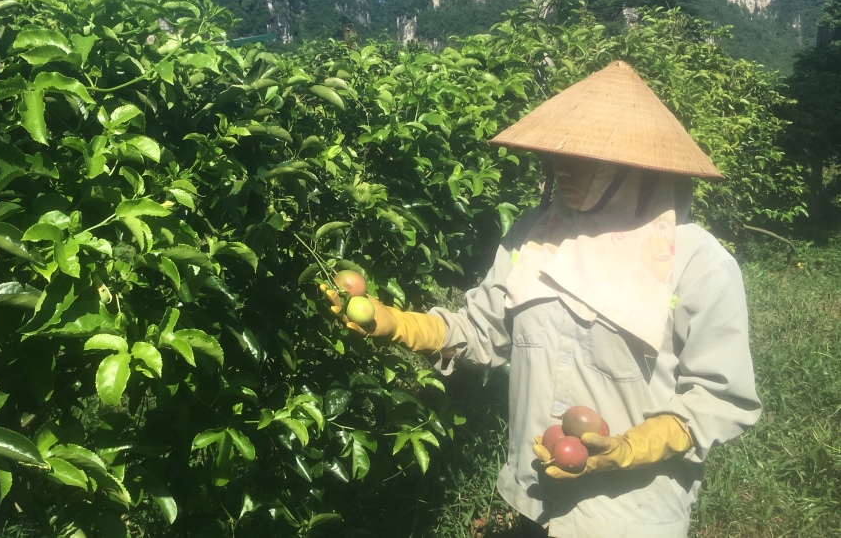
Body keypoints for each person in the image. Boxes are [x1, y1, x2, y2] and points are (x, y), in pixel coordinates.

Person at [323, 61, 762, 537]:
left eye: (585, 159)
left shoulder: (692, 261)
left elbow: (719, 395)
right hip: (536, 500)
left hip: (628, 515)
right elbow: (483, 329)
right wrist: (398, 325)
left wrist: (633, 447)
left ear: (629, 167)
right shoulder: (535, 235)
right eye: (556, 155)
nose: (562, 168)